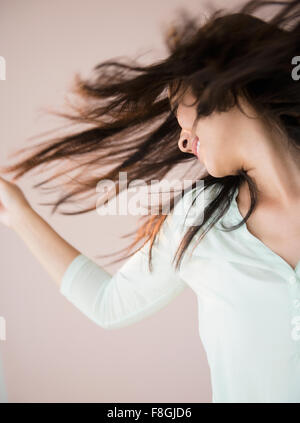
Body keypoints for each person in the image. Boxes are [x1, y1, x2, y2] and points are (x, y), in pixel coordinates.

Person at [0, 0, 300, 403]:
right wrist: (18, 214)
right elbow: (109, 304)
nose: (181, 139)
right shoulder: (198, 223)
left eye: (184, 115)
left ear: (228, 89)